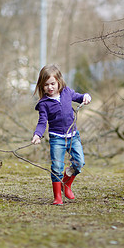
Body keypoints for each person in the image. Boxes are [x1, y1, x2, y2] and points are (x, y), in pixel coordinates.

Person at [31, 64, 91, 205]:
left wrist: (86, 96)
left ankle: (66, 183)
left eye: (52, 83)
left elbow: (79, 97)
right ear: (41, 86)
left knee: (79, 162)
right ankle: (58, 197)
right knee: (56, 167)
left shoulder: (66, 92)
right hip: (56, 139)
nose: (50, 87)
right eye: (46, 85)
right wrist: (37, 135)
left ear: (59, 81)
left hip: (73, 136)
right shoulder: (44, 103)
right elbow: (42, 122)